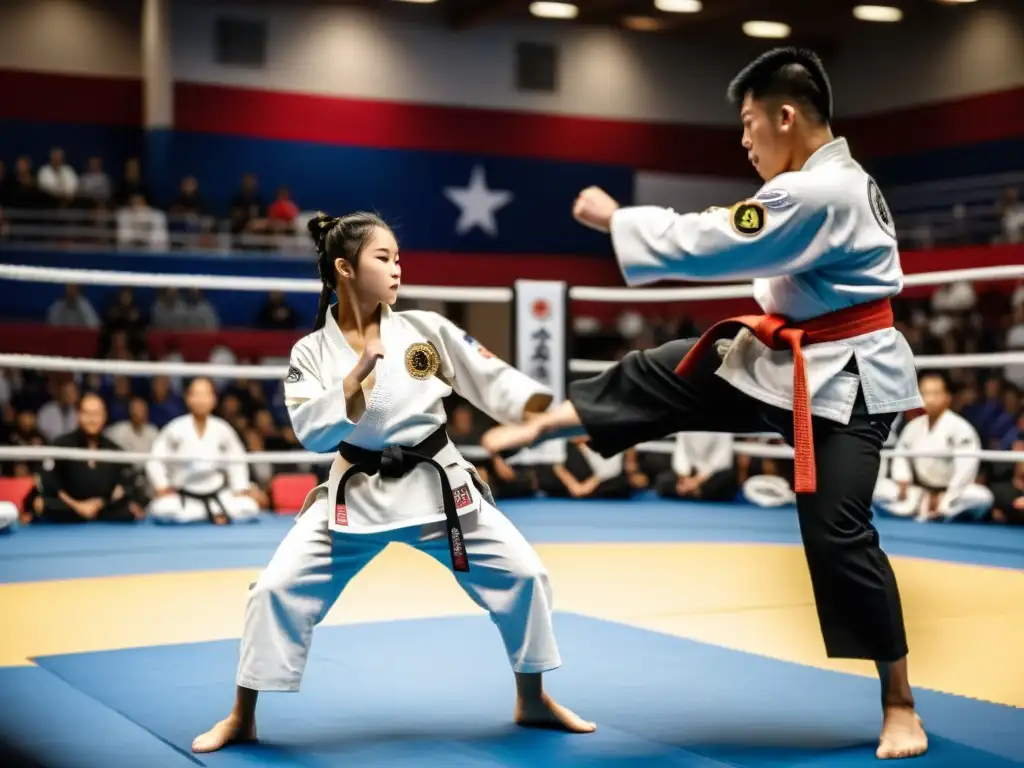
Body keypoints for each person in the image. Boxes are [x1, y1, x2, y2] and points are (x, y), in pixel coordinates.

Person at [482, 48, 928, 760]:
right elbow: (738, 224)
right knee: (674, 366)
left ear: (787, 116)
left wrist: (617, 219)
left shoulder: (823, 192)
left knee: (838, 533)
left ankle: (900, 703)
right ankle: (552, 419)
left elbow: (716, 237)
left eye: (750, 124)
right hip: (788, 358)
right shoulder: (822, 183)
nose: (744, 140)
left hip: (845, 380)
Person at [191, 212, 594, 754]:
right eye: (384, 258)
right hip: (354, 495)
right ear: (345, 268)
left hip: (438, 488)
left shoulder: (425, 330)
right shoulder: (309, 353)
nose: (397, 268)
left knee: (525, 574)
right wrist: (354, 381)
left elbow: (488, 374)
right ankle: (242, 714)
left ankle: (533, 697)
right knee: (273, 590)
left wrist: (542, 410)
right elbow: (311, 432)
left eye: (399, 258)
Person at [874, 373, 993, 522]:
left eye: (935, 393)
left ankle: (939, 511)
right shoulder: (913, 427)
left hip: (948, 493)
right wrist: (903, 480)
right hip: (917, 492)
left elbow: (966, 469)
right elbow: (901, 456)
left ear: (947, 396)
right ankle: (923, 508)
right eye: (925, 394)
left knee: (982, 496)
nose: (930, 399)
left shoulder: (961, 428)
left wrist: (948, 496)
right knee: (877, 487)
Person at [146, 378, 261, 524]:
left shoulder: (222, 429)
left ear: (213, 400)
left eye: (205, 395)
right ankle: (212, 516)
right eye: (196, 395)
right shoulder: (175, 428)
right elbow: (155, 459)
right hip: (185, 497)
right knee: (162, 509)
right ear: (188, 399)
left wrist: (239, 488)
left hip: (218, 495)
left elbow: (237, 461)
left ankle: (208, 515)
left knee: (249, 507)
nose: (201, 400)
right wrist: (161, 485)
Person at [29, 393, 145, 523]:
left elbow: (126, 484)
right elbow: (47, 480)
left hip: (103, 508)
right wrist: (77, 506)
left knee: (129, 510)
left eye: (96, 414)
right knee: (42, 504)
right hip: (69, 507)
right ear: (78, 415)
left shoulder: (114, 449)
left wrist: (101, 503)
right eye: (87, 413)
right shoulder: (62, 444)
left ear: (104, 416)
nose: (92, 419)